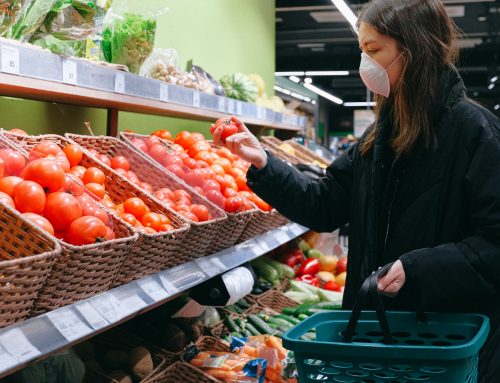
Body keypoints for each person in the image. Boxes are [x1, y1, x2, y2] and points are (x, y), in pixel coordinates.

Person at [212, 0, 500, 381]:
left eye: (374, 50)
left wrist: (417, 269)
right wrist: (264, 161)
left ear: (413, 51)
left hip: (446, 344)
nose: (365, 63)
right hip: (376, 337)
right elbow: (324, 204)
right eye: (361, 50)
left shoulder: (476, 132)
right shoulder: (378, 136)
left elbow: (494, 244)